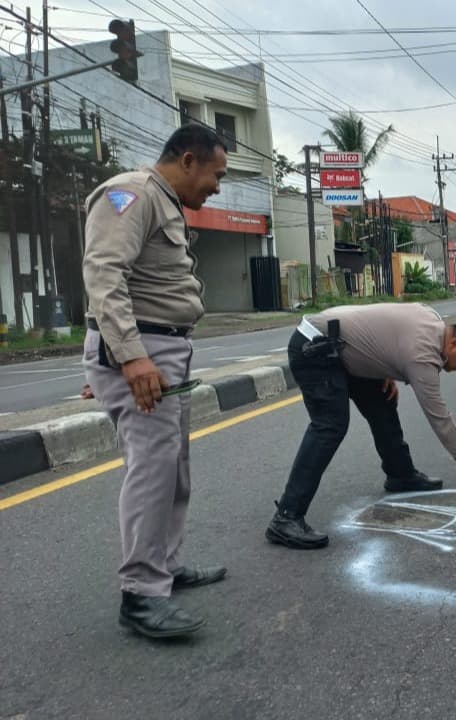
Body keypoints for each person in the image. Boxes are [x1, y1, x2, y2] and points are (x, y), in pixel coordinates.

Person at [82, 124, 229, 640]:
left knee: (173, 468)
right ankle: (141, 595)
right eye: (216, 175)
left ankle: (163, 566)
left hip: (163, 348)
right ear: (188, 160)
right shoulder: (132, 194)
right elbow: (104, 273)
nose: (217, 187)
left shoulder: (164, 202)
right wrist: (128, 358)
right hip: (142, 350)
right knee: (152, 470)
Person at [266, 304, 456, 550]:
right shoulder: (423, 355)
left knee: (382, 402)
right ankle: (287, 516)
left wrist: (383, 369)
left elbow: (387, 336)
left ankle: (400, 475)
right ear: (455, 344)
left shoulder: (432, 318)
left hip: (342, 348)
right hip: (315, 348)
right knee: (330, 425)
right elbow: (439, 417)